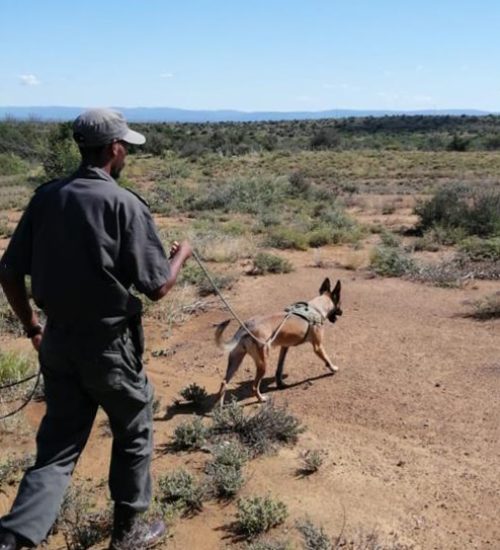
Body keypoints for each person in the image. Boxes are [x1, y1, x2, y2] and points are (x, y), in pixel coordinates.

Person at [0, 108, 192, 549]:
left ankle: (13, 539)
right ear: (114, 148)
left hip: (57, 341)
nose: (125, 153)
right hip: (108, 347)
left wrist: (32, 327)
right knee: (134, 428)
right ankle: (128, 533)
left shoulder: (46, 197)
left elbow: (8, 272)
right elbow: (158, 285)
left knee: (59, 445)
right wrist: (181, 254)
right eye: (124, 146)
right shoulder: (124, 204)